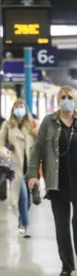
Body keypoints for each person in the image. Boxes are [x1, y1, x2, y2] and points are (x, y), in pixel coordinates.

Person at [27, 86, 77, 276]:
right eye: (63, 97)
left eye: (70, 97)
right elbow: (37, 150)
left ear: (75, 100)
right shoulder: (49, 122)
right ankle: (67, 265)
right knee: (61, 225)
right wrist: (33, 175)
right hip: (57, 181)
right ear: (57, 100)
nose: (66, 99)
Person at [0, 99, 37, 238]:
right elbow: (0, 143)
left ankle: (22, 220)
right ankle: (26, 225)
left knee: (29, 198)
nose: (19, 109)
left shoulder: (31, 125)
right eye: (16, 106)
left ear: (25, 109)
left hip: (30, 167)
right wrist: (6, 153)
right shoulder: (7, 125)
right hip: (15, 166)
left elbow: (39, 142)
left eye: (21, 106)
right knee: (23, 195)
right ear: (13, 109)